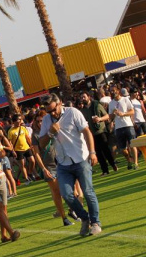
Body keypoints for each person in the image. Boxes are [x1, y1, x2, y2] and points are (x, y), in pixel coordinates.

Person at [39, 93, 102, 236]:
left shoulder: (73, 112)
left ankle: (96, 223)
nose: (52, 113)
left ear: (60, 103)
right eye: (49, 111)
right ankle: (85, 218)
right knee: (66, 194)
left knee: (88, 192)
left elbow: (86, 132)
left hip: (81, 158)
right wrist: (50, 133)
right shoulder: (46, 120)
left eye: (54, 109)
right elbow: (42, 144)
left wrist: (92, 152)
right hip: (63, 162)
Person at [31, 110, 74, 226]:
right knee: (56, 191)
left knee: (68, 189)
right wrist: (43, 169)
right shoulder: (35, 135)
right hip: (49, 166)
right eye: (38, 121)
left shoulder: (54, 129)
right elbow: (36, 154)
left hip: (61, 161)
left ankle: (72, 210)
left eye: (42, 121)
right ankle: (64, 217)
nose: (40, 123)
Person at [79, 91, 118, 176]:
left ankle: (113, 164)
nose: (82, 99)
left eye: (84, 97)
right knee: (98, 153)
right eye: (81, 97)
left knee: (106, 150)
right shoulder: (83, 110)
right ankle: (105, 170)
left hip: (101, 131)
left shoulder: (97, 105)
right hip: (92, 134)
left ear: (89, 97)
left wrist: (99, 119)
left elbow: (107, 116)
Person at [109, 86, 138, 170]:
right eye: (111, 91)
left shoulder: (125, 99)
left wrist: (123, 114)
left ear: (118, 91)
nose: (112, 92)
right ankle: (129, 160)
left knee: (133, 145)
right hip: (118, 128)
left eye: (113, 90)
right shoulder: (111, 103)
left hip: (128, 125)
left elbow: (132, 111)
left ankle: (135, 163)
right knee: (123, 149)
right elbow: (110, 116)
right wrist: (113, 115)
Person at [7, 114, 38, 184]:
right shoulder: (11, 131)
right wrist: (13, 151)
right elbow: (10, 143)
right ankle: (27, 179)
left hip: (27, 148)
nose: (20, 121)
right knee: (22, 165)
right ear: (14, 121)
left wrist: (31, 145)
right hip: (18, 150)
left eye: (21, 119)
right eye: (19, 120)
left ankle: (30, 173)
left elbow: (28, 138)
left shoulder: (23, 128)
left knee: (32, 161)